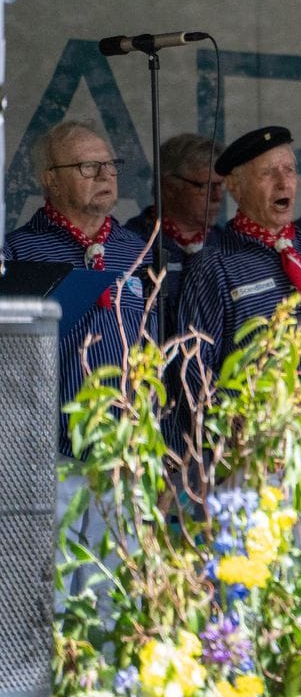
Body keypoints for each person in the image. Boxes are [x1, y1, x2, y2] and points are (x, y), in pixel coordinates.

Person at [3, 118, 156, 598]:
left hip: (126, 456)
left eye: (110, 164)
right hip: (53, 456)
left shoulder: (139, 251)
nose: (105, 174)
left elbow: (158, 351)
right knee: (54, 601)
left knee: (120, 602)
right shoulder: (19, 250)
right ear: (50, 179)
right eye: (88, 166)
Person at [175, 125, 301, 434]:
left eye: (290, 170)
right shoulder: (214, 265)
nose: (284, 182)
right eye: (268, 173)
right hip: (261, 453)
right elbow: (194, 365)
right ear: (235, 186)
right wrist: (233, 429)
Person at [124, 132, 225, 330]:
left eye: (221, 185)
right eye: (206, 186)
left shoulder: (227, 245)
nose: (217, 196)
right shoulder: (131, 244)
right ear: (169, 187)